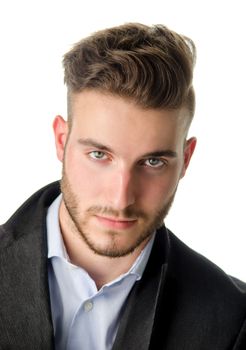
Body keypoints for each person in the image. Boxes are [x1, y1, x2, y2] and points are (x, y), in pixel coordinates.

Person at [0, 22, 246, 350]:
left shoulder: (231, 320)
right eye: (99, 154)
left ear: (186, 159)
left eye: (153, 162)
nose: (121, 197)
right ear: (62, 140)